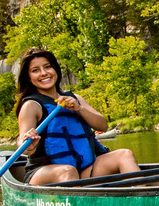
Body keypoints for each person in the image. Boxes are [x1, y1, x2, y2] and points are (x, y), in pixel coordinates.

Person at [14, 47, 141, 185]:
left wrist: (79, 109)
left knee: (125, 155)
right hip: (45, 173)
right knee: (68, 172)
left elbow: (103, 126)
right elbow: (23, 144)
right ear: (29, 77)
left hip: (84, 169)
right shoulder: (31, 105)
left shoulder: (75, 99)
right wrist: (30, 144)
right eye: (35, 70)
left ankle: (142, 201)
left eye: (47, 67)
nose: (44, 73)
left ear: (55, 69)